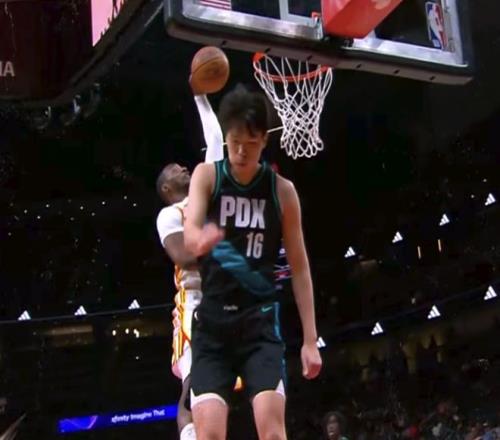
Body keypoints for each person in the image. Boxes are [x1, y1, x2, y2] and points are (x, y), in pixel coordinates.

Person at [184, 84, 322, 440]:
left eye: (251, 142)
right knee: (209, 434)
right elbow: (190, 231)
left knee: (273, 433)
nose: (242, 151)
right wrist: (198, 239)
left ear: (264, 140)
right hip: (213, 326)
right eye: (235, 142)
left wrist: (310, 339)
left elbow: (300, 268)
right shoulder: (208, 176)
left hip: (258, 324)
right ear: (226, 137)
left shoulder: (281, 191)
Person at [156, 86, 224, 439]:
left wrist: (201, 97)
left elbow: (214, 142)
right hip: (194, 303)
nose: (183, 167)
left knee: (216, 391)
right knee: (193, 384)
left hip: (225, 301)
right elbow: (184, 256)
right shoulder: (169, 214)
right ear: (166, 189)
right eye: (174, 170)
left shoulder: (204, 194)